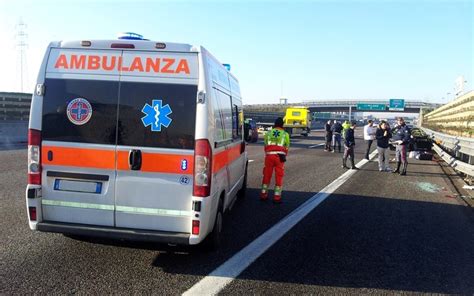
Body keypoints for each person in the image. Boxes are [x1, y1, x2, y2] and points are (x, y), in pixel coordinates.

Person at [261, 117, 290, 203]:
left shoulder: (268, 133)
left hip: (269, 156)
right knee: (279, 176)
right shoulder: (285, 134)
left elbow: (265, 144)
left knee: (266, 175)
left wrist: (268, 152)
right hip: (279, 157)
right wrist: (284, 155)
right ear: (282, 124)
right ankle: (277, 197)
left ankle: (263, 195)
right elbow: (287, 147)